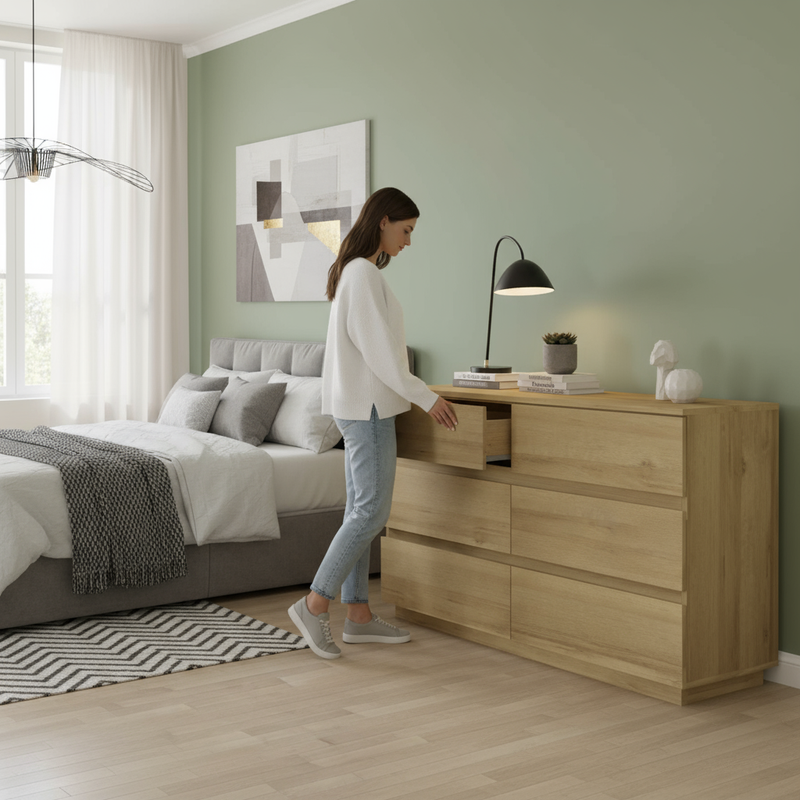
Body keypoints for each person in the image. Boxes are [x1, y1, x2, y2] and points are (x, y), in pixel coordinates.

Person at [288, 187, 458, 659]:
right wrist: (426, 397)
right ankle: (314, 603)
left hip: (360, 405)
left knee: (359, 511)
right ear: (383, 222)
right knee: (370, 514)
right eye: (406, 230)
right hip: (369, 409)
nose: (408, 241)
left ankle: (358, 615)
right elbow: (381, 354)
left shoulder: (355, 272)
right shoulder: (362, 274)